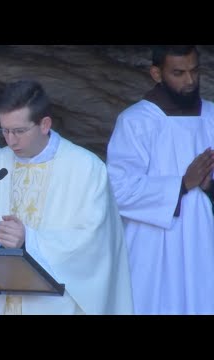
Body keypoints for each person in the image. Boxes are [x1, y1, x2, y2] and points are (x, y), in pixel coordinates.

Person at [0, 79, 134, 315]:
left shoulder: (85, 168)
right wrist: (0, 240)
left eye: (19, 131)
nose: (10, 140)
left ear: (45, 124)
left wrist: (30, 240)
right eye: (4, 130)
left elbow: (93, 243)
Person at [106, 45, 214, 315]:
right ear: (156, 73)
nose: (189, 81)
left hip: (205, 242)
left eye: (194, 71)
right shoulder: (135, 122)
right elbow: (117, 190)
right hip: (152, 247)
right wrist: (181, 184)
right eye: (178, 73)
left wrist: (210, 186)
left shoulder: (212, 116)